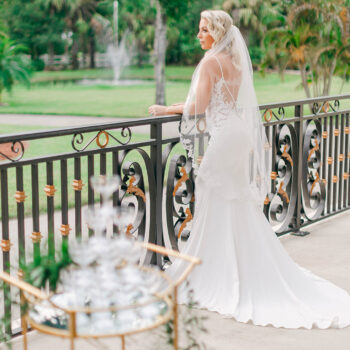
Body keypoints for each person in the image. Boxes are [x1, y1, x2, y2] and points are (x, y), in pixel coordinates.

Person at [148, 10, 350, 329]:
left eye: (203, 30)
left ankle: (214, 271)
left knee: (216, 201)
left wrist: (165, 109)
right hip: (238, 135)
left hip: (225, 139)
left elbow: (199, 108)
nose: (198, 36)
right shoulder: (236, 64)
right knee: (234, 203)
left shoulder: (211, 63)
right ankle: (232, 266)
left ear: (216, 33)